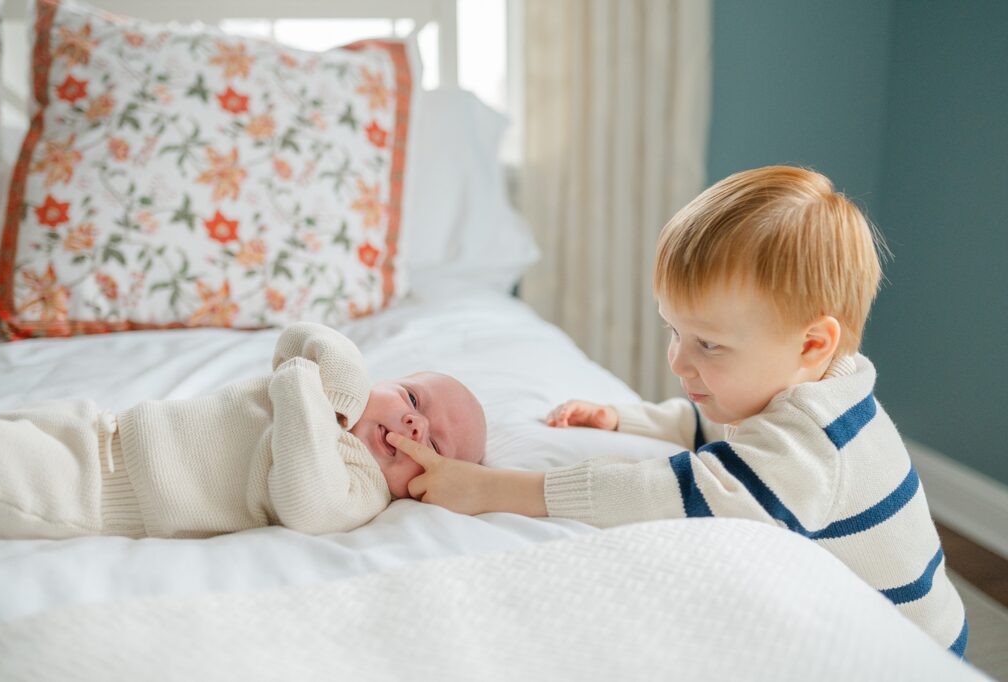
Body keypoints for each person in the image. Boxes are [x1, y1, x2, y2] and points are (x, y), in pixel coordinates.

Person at [386, 166, 968, 656]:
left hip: (899, 648)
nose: (678, 362)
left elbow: (688, 492)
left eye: (708, 344)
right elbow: (718, 427)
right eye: (674, 331)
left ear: (811, 343)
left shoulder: (816, 440)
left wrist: (499, 489)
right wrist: (624, 419)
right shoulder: (807, 387)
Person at [0, 322, 486, 539]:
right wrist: (343, 377)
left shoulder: (360, 485)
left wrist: (300, 387)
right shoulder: (336, 391)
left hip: (96, 495)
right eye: (413, 398)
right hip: (101, 427)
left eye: (436, 444)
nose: (415, 424)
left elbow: (307, 503)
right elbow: (299, 339)